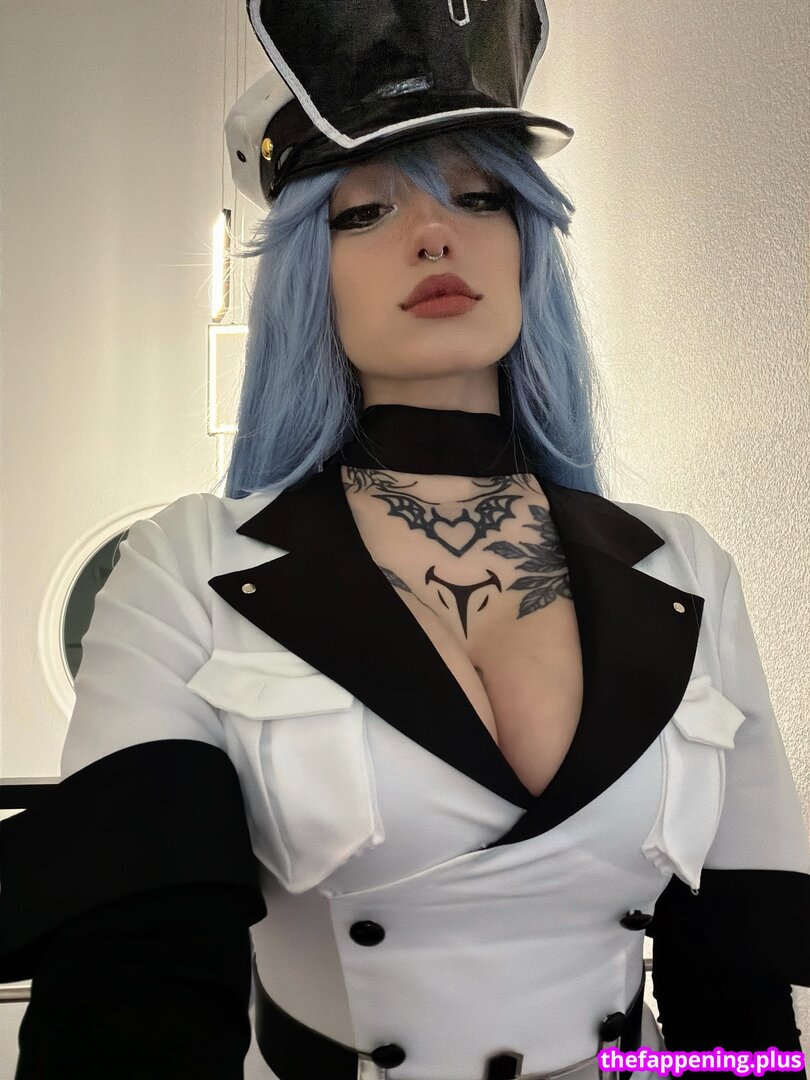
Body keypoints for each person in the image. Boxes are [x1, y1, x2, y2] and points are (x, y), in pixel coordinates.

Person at [1, 3, 808, 1079]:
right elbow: (137, 975)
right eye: (365, 211)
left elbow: (736, 979)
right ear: (306, 271)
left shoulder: (680, 563)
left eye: (481, 197)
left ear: (526, 241)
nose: (435, 233)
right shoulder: (193, 563)